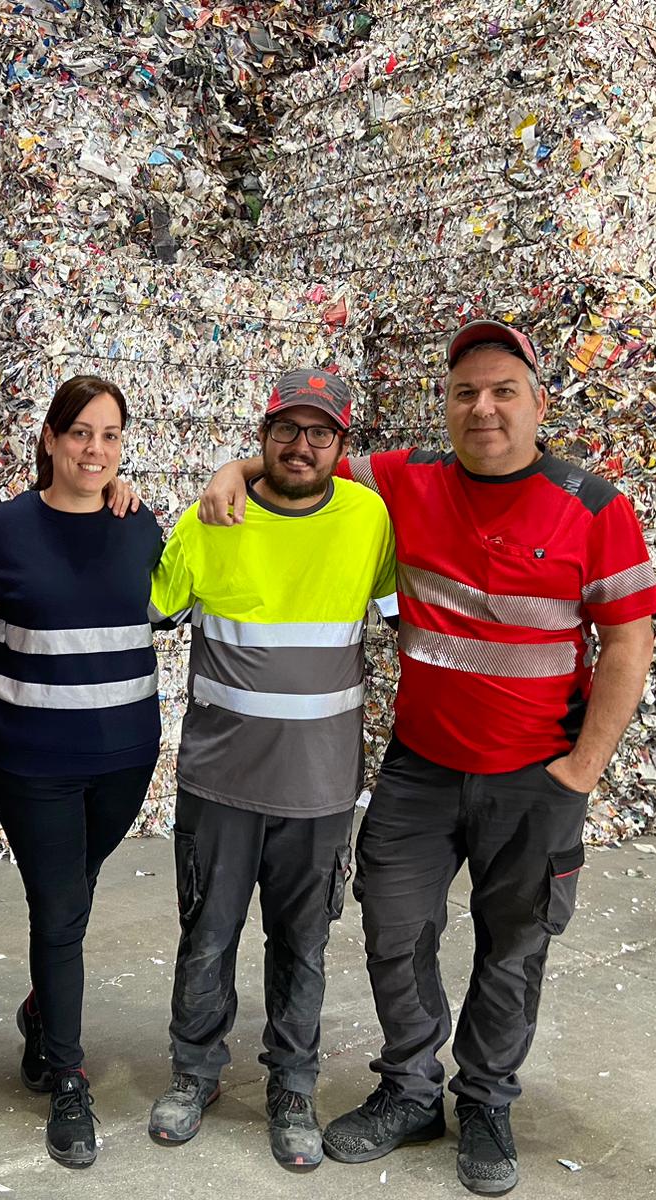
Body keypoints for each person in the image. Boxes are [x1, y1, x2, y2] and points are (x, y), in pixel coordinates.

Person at [199, 319, 656, 1196]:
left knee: (513, 946)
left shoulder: (593, 505)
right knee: (393, 927)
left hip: (535, 777)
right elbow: (303, 462)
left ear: (539, 404)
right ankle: (411, 1089)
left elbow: (629, 642)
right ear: (445, 405)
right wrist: (233, 469)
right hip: (421, 768)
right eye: (464, 393)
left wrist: (581, 772)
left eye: (503, 391)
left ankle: (485, 1101)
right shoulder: (404, 479)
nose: (483, 408)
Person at [145, 369, 397, 1171]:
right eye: (286, 430)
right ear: (262, 437)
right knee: (206, 937)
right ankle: (194, 1073)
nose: (301, 446)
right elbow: (152, 609)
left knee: (303, 945)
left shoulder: (368, 519)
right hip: (220, 784)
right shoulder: (214, 517)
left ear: (341, 445)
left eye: (319, 433)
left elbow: (404, 613)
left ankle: (293, 1087)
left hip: (320, 791)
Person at [0, 375, 164, 1169]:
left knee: (72, 897)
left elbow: (174, 603)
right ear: (49, 438)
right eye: (80, 432)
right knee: (59, 913)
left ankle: (41, 1011)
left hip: (126, 756)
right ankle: (69, 1076)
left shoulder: (138, 523)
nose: (95, 449)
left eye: (110, 435)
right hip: (34, 761)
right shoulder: (5, 529)